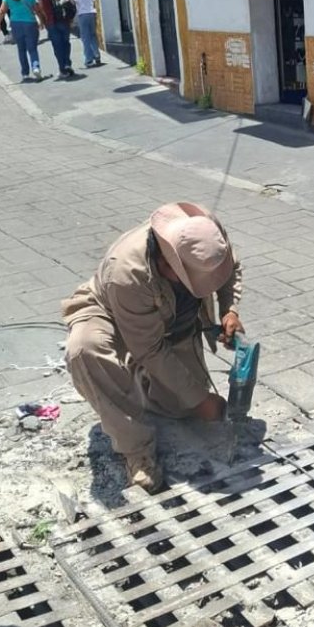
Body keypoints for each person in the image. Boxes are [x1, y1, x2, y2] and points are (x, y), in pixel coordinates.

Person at [63, 202, 244, 494]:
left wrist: (229, 310)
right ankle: (137, 451)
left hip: (171, 325)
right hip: (111, 313)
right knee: (84, 350)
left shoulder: (203, 230)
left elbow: (229, 266)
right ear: (165, 261)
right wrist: (202, 400)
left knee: (179, 407)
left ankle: (142, 385)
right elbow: (150, 349)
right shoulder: (127, 272)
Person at [0, 0, 45, 81]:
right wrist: (42, 21)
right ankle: (35, 67)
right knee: (32, 48)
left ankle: (25, 73)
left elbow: (2, 11)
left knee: (21, 49)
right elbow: (38, 10)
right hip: (30, 23)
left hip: (15, 24)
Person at [35, 0, 76, 79]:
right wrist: (70, 18)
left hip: (50, 21)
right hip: (64, 19)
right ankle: (68, 64)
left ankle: (62, 68)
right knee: (66, 42)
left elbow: (40, 6)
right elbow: (68, 3)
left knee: (57, 45)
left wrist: (42, 21)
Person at [71, 0, 101, 68]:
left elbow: (72, 2)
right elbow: (94, 1)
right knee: (93, 35)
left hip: (83, 15)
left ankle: (88, 59)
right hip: (92, 14)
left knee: (85, 38)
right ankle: (97, 55)